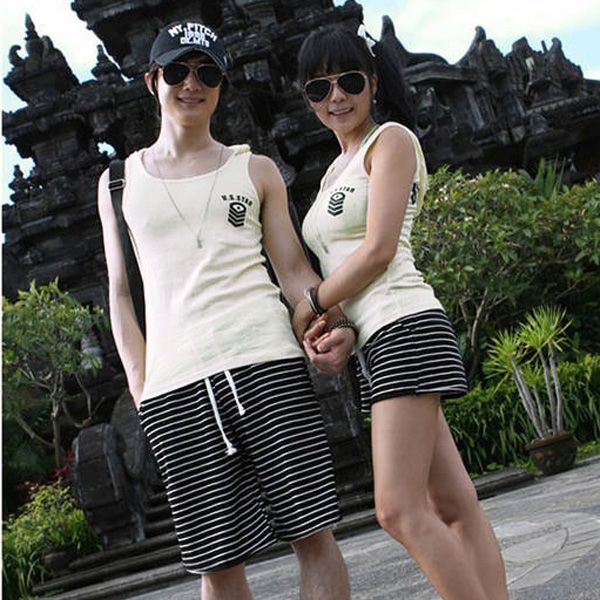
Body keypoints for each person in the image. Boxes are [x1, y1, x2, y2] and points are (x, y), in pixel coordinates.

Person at [97, 19, 354, 600]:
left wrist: (333, 322)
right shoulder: (117, 182)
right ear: (152, 81)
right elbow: (120, 292)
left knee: (313, 534)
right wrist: (141, 386)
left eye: (207, 72)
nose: (193, 84)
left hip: (267, 364)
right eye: (178, 71)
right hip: (174, 389)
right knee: (218, 565)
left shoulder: (255, 169)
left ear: (221, 85)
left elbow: (293, 271)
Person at [293, 24, 510, 600]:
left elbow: (380, 250)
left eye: (348, 81)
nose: (336, 96)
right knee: (454, 504)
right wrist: (340, 328)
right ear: (307, 98)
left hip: (405, 325)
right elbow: (348, 265)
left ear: (373, 81)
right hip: (378, 338)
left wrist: (312, 303)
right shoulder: (333, 171)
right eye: (318, 88)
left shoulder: (390, 140)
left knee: (397, 509)